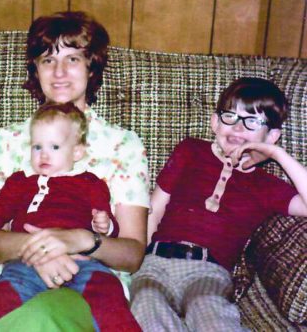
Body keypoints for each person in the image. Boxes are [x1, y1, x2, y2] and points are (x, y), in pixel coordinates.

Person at [0, 11, 149, 330]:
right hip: (18, 274)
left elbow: (133, 253)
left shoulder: (122, 145)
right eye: (47, 60)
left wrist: (81, 239)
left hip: (96, 278)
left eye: (72, 59)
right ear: (35, 70)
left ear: (91, 67)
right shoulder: (6, 143)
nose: (59, 72)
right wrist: (45, 249)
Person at [129, 77, 307, 331]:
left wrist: (277, 154)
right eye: (230, 116)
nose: (237, 127)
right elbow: (154, 210)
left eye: (252, 121)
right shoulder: (190, 151)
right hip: (156, 261)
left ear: (272, 135)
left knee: (209, 311)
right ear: (214, 122)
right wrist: (135, 263)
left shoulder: (266, 185)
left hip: (209, 270)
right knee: (146, 305)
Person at [0, 102, 120, 331]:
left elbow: (107, 223)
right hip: (26, 263)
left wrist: (105, 225)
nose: (44, 154)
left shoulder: (90, 183)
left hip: (83, 262)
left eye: (55, 147)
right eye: (37, 146)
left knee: (109, 302)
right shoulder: (20, 182)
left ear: (77, 151)